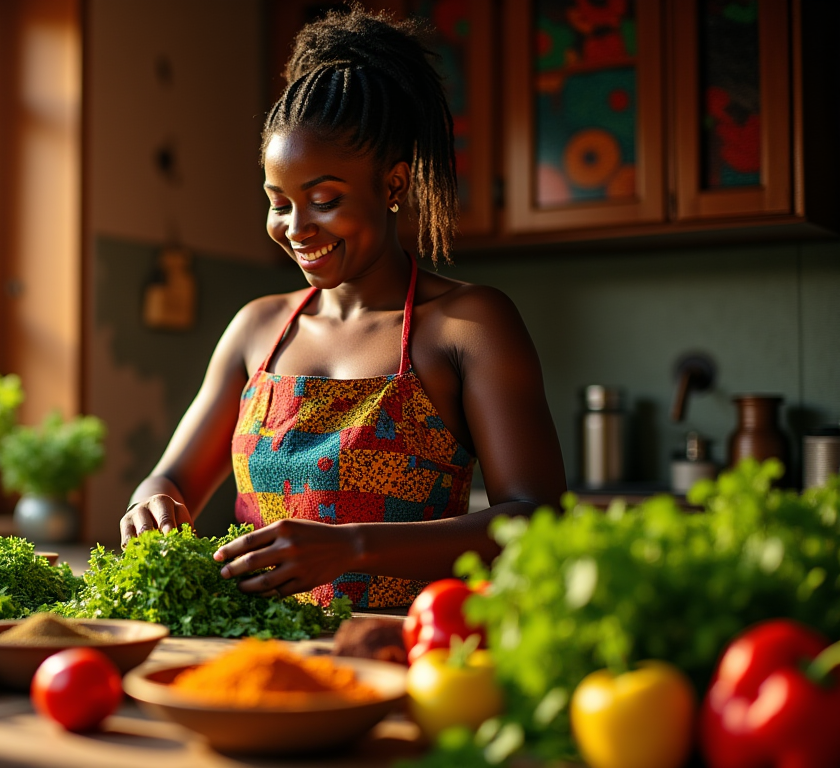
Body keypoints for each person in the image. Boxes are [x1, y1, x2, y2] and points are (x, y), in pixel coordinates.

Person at [120, 7, 566, 609]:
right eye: (279, 202)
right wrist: (150, 501)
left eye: (324, 199)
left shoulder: (469, 326)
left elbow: (535, 521)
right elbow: (171, 479)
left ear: (393, 187)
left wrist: (351, 548)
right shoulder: (258, 327)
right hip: (258, 653)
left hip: (404, 654)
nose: (297, 227)